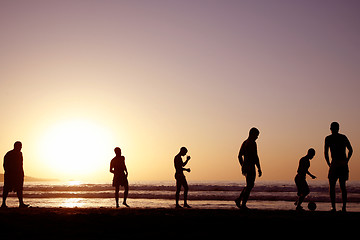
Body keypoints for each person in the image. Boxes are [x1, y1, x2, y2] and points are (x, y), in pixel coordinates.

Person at [324, 122, 353, 212]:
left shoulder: (328, 138)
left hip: (335, 163)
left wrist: (329, 163)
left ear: (330, 129)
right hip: (343, 163)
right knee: (342, 186)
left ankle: (333, 207)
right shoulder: (343, 137)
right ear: (338, 128)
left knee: (332, 186)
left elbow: (326, 152)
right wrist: (347, 160)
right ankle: (344, 207)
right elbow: (351, 150)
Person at [235, 127, 262, 210]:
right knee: (250, 185)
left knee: (249, 185)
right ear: (252, 134)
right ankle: (242, 204)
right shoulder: (252, 143)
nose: (257, 137)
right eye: (256, 135)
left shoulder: (245, 142)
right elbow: (255, 157)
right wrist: (259, 168)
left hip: (247, 166)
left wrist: (242, 165)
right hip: (250, 167)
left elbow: (239, 156)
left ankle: (239, 200)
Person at [1, 141, 29, 208]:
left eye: (21, 146)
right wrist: (8, 173)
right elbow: (5, 165)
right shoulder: (9, 154)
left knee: (19, 189)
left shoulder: (20, 154)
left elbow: (20, 165)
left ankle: (21, 203)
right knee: (7, 189)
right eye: (20, 146)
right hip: (10, 175)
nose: (21, 147)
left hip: (18, 175)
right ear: (15, 146)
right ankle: (3, 204)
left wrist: (22, 173)